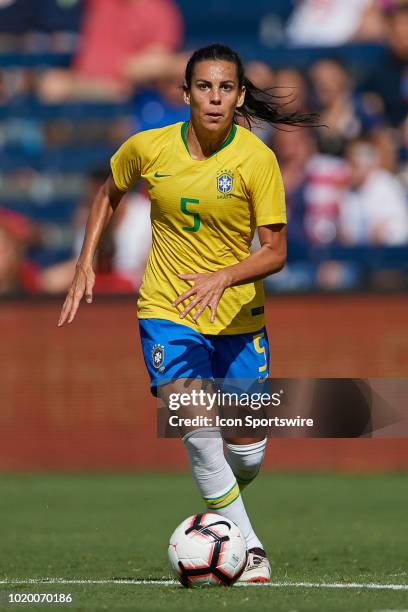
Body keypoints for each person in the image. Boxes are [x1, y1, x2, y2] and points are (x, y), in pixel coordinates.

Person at [57, 44, 316, 583]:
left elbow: (275, 251)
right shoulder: (147, 148)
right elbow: (109, 191)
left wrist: (224, 276)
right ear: (185, 93)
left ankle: (223, 496)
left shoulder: (256, 159)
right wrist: (85, 261)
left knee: (247, 454)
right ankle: (247, 548)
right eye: (204, 87)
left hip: (239, 319)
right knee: (195, 427)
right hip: (167, 309)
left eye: (226, 88)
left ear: (240, 96)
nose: (215, 98)